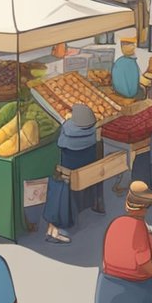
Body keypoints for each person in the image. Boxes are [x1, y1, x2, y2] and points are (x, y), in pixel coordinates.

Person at [46, 104, 103, 244]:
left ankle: (56, 227)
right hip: (88, 170)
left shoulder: (68, 130)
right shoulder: (91, 134)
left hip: (69, 173)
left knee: (58, 182)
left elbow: (61, 143)